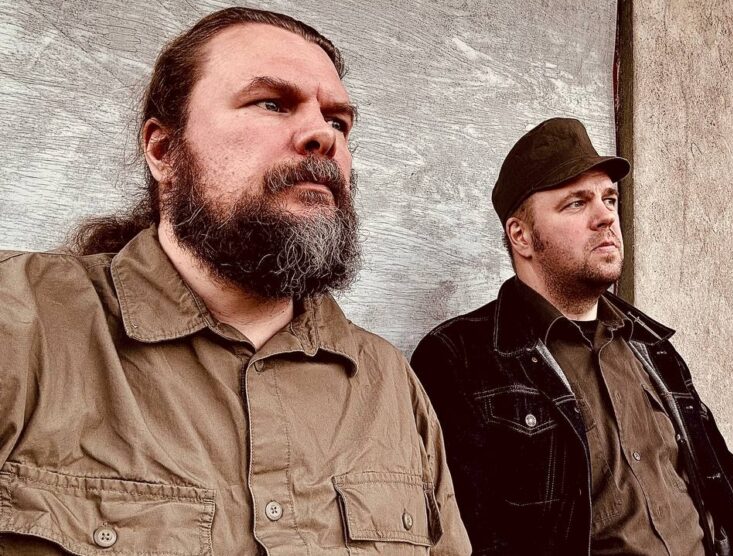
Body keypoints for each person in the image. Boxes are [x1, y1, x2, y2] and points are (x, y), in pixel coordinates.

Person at [0, 7, 469, 555]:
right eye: (271, 103)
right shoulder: (20, 319)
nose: (322, 135)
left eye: (339, 122)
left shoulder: (389, 383)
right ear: (163, 151)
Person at [411, 118, 733, 556]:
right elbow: (466, 536)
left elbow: (726, 482)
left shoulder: (650, 346)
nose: (605, 217)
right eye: (576, 203)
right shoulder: (460, 358)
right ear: (521, 236)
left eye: (609, 199)